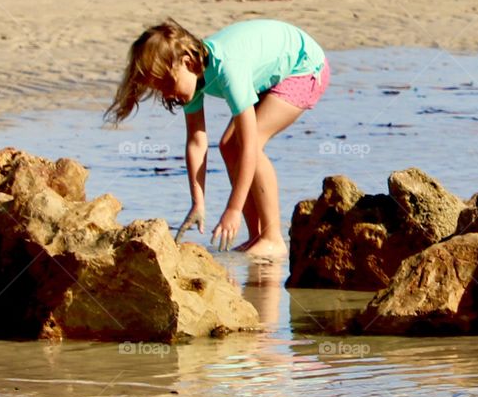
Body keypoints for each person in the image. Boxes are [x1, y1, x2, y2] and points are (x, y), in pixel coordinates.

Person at [105, 17, 331, 258]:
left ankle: (272, 238)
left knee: (250, 145)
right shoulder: (191, 77)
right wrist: (198, 202)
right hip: (271, 74)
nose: (167, 93)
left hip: (304, 68)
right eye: (159, 89)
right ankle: (256, 237)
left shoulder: (227, 69)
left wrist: (232, 209)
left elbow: (249, 147)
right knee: (228, 146)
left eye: (166, 83)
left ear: (187, 61)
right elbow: (196, 140)